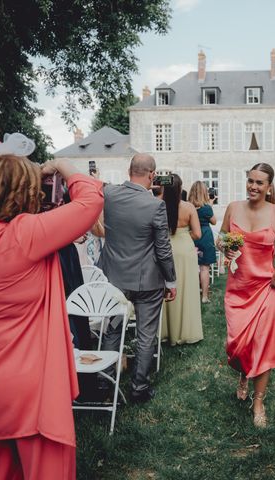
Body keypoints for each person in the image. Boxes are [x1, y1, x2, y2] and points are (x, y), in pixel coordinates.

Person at [0, 134, 103, 479]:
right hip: (28, 386)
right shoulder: (28, 234)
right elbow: (90, 199)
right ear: (24, 193)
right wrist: (61, 166)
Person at [221, 162, 275, 427]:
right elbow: (221, 237)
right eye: (250, 181)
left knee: (264, 345)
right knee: (238, 347)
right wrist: (225, 249)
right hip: (238, 289)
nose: (253, 186)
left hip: (267, 289)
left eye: (259, 183)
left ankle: (259, 402)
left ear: (269, 186)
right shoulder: (233, 207)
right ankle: (244, 373)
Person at [98, 153, 177, 403]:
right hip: (147, 281)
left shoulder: (109, 194)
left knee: (112, 331)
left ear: (128, 170)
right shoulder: (155, 205)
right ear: (152, 175)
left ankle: (103, 382)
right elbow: (163, 249)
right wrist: (171, 280)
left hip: (113, 278)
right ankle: (139, 387)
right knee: (145, 335)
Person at [161, 174, 203, 345]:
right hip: (185, 249)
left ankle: (165, 332)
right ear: (179, 188)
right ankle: (185, 331)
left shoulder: (158, 206)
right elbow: (198, 234)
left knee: (166, 287)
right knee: (186, 288)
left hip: (165, 248)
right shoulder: (188, 207)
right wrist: (184, 235)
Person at [189, 181, 217, 304]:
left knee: (191, 267)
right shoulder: (206, 209)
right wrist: (211, 205)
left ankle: (191, 294)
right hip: (205, 236)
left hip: (191, 236)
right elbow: (214, 221)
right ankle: (204, 296)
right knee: (204, 268)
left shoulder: (187, 207)